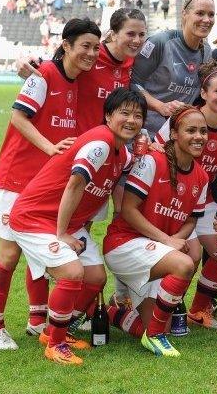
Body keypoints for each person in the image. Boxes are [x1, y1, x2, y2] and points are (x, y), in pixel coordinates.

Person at [0, 18, 100, 351]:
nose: (91, 54)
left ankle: (38, 320)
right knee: (9, 255)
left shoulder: (79, 80)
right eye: (85, 47)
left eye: (95, 47)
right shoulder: (44, 75)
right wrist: (50, 148)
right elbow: (18, 117)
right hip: (16, 178)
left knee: (38, 252)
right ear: (66, 45)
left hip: (43, 184)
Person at [9, 88, 145, 365]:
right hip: (35, 217)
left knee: (95, 278)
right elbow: (75, 184)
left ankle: (52, 331)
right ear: (108, 116)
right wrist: (61, 235)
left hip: (64, 221)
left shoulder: (123, 154)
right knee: (72, 272)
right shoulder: (101, 143)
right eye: (125, 113)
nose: (131, 120)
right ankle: (56, 345)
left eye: (138, 115)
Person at [103, 106, 209, 356]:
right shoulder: (152, 161)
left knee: (160, 322)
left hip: (156, 253)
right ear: (173, 134)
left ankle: (112, 312)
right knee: (184, 265)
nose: (199, 136)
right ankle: (155, 337)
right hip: (123, 244)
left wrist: (174, 240)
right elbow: (128, 210)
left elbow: (191, 221)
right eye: (191, 130)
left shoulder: (202, 177)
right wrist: (166, 241)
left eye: (203, 131)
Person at [156, 61, 217, 330]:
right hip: (171, 200)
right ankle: (152, 304)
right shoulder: (184, 118)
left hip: (203, 201)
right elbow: (157, 155)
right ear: (204, 93)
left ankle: (199, 309)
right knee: (187, 255)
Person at [131, 0, 214, 135]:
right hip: (146, 134)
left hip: (178, 137)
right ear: (184, 14)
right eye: (200, 13)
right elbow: (133, 83)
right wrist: (160, 106)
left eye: (211, 15)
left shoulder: (207, 51)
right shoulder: (160, 42)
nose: (207, 20)